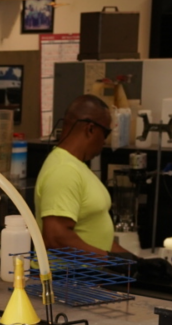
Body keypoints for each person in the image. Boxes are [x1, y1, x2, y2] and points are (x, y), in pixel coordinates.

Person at [35, 94, 125, 255]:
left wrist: (134, 262)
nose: (104, 141)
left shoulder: (77, 167)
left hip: (87, 276)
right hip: (65, 278)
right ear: (90, 129)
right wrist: (109, 261)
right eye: (105, 133)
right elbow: (55, 238)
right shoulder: (63, 170)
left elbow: (97, 240)